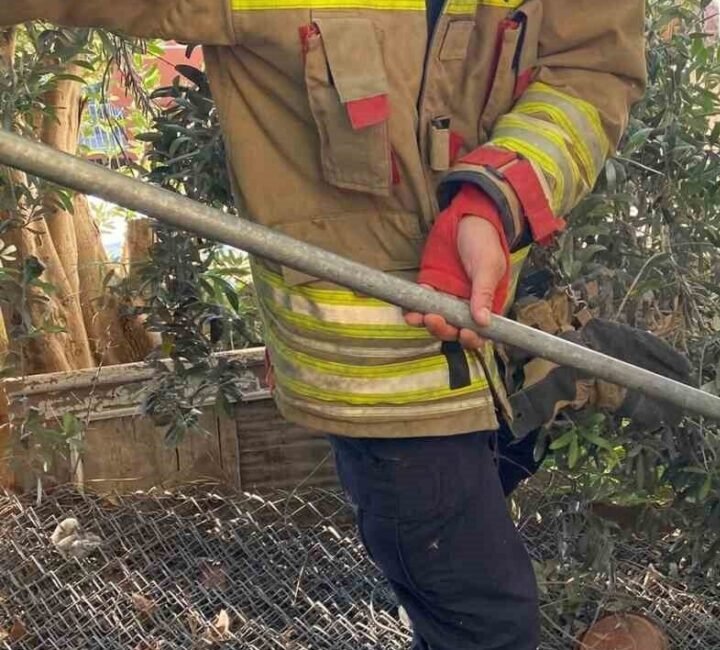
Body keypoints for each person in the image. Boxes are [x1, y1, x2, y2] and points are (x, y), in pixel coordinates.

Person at [2, 1, 646, 647]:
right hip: (386, 396)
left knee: (476, 583)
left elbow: (591, 70)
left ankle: (539, 385)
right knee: (489, 623)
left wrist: (495, 198)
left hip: (493, 343)